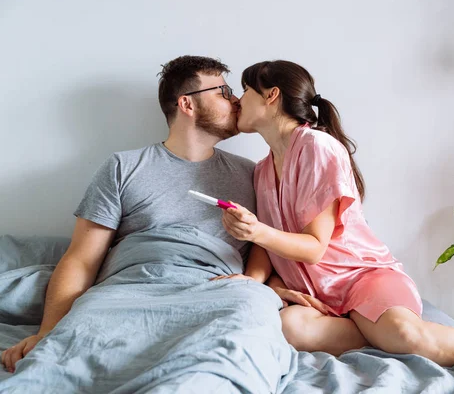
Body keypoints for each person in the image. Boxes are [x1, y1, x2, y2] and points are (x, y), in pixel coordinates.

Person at [215, 60, 454, 368]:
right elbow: (267, 245)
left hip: (363, 278)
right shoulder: (262, 171)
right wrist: (252, 281)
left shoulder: (316, 148)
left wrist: (255, 230)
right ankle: (375, 333)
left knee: (406, 335)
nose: (238, 101)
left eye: (244, 90)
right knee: (291, 328)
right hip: (320, 296)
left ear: (271, 95)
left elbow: (313, 248)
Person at [1, 55, 265, 373]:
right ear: (187, 104)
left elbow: (271, 247)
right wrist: (46, 332)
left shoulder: (254, 175)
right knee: (67, 360)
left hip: (217, 295)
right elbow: (82, 259)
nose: (236, 100)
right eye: (223, 91)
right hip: (130, 291)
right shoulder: (124, 168)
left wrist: (256, 284)